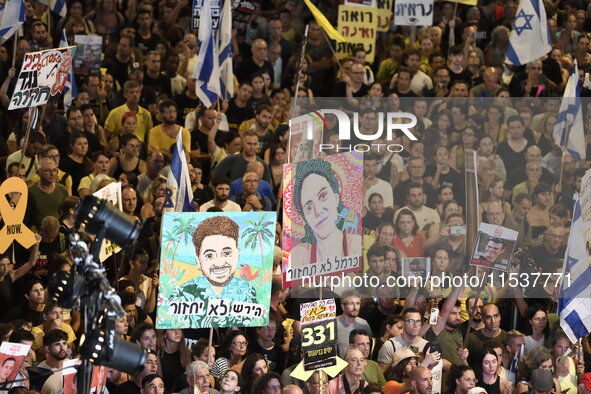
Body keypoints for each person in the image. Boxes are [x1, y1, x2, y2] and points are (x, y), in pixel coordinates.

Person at [169, 216, 257, 327]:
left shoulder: (247, 291)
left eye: (227, 253)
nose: (219, 263)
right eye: (209, 255)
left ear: (237, 254)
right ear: (198, 260)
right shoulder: (181, 294)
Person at [289, 158, 362, 267]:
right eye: (309, 208)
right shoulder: (300, 255)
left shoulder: (355, 244)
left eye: (323, 196)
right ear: (305, 219)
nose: (318, 211)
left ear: (336, 198)